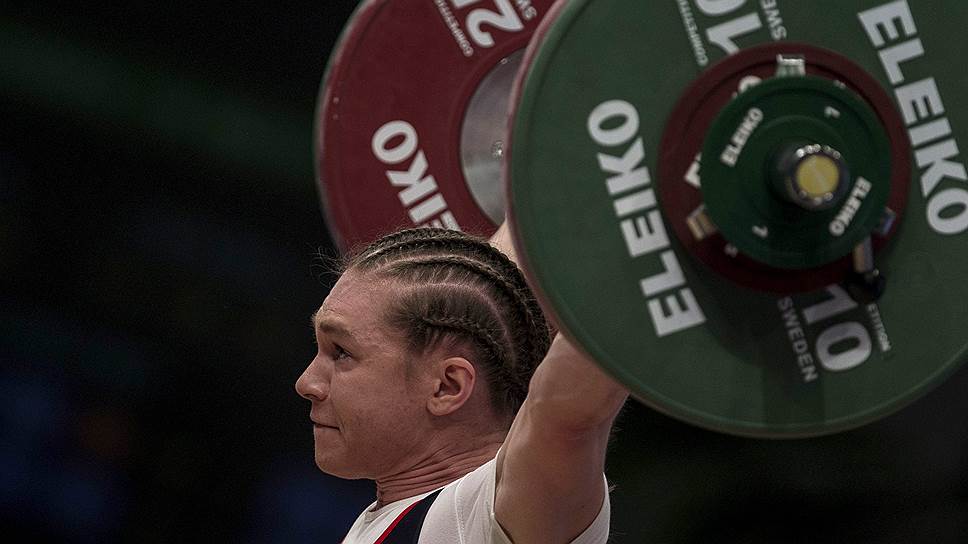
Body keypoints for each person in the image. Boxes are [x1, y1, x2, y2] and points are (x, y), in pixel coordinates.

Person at [295, 223, 628, 543]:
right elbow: (489, 281)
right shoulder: (399, 513)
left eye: (341, 352)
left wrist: (643, 239)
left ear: (448, 386)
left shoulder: (490, 515)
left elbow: (567, 416)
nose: (306, 383)